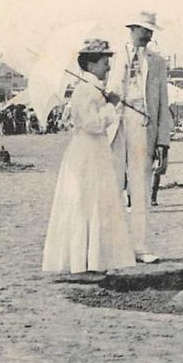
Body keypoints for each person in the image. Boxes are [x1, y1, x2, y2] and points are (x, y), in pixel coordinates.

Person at [42, 39, 135, 276]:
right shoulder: (85, 90)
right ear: (91, 65)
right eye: (105, 62)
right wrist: (110, 106)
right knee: (86, 201)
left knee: (96, 200)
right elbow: (93, 124)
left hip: (95, 150)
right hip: (87, 151)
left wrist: (106, 100)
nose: (108, 67)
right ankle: (83, 261)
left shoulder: (92, 89)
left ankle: (94, 259)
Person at [106, 11, 171, 264]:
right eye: (145, 30)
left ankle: (141, 248)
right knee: (111, 187)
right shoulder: (112, 58)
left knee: (140, 187)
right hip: (113, 124)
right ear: (132, 29)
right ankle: (111, 247)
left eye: (151, 30)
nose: (149, 35)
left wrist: (163, 141)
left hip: (143, 125)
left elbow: (163, 103)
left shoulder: (157, 62)